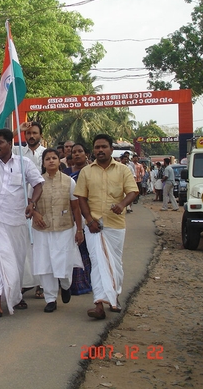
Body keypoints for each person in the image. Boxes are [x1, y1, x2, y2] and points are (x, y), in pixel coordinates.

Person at [0, 125, 44, 318]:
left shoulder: (24, 163)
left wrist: (32, 203)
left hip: (17, 220)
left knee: (17, 261)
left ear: (10, 144)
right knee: (0, 259)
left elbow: (38, 185)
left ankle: (16, 295)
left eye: (0, 143)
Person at [74, 133, 139, 320]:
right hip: (93, 225)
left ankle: (114, 297)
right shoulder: (86, 171)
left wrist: (121, 204)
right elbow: (81, 197)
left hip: (115, 224)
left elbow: (133, 191)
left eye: (104, 147)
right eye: (97, 147)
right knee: (97, 263)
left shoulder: (123, 170)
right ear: (93, 150)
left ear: (111, 149)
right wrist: (89, 220)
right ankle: (99, 303)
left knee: (114, 263)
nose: (100, 150)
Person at [31, 148, 84, 313]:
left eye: (54, 158)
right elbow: (28, 203)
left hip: (64, 228)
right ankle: (51, 299)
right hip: (42, 228)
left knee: (63, 262)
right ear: (43, 162)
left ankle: (66, 285)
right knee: (45, 264)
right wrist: (35, 213)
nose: (51, 161)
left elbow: (76, 208)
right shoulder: (36, 182)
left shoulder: (69, 182)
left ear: (58, 161)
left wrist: (79, 229)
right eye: (48, 158)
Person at [11, 121, 45, 299]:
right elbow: (5, 144)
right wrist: (18, 130)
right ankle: (26, 282)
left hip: (42, 204)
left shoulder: (45, 154)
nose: (31, 136)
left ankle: (41, 284)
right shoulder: (18, 152)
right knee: (25, 245)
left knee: (39, 245)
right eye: (28, 133)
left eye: (34, 133)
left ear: (41, 135)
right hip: (22, 206)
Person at [62, 143, 92, 297]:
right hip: (69, 215)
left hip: (87, 215)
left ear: (86, 153)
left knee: (85, 249)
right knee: (72, 249)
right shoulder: (65, 173)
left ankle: (86, 282)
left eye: (80, 151)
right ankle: (70, 284)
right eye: (74, 152)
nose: (77, 154)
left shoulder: (91, 171)